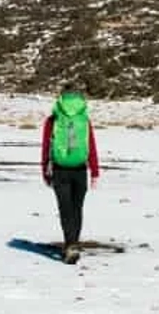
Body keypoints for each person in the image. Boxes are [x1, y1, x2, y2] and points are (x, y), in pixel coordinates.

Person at [40, 88, 100, 264]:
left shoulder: (53, 120)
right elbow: (91, 146)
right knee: (76, 208)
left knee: (65, 209)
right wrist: (95, 171)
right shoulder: (84, 119)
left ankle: (70, 245)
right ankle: (72, 244)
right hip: (80, 169)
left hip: (60, 169)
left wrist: (45, 170)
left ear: (60, 100)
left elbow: (46, 147)